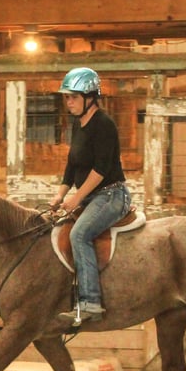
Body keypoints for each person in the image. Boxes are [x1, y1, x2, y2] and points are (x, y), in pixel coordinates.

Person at [49, 67, 132, 325]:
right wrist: (60, 194)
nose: (68, 102)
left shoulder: (104, 125)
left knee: (79, 234)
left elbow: (101, 169)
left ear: (90, 97)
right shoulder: (78, 124)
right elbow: (73, 164)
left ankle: (91, 302)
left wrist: (75, 198)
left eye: (73, 97)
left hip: (111, 195)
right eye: (67, 97)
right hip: (91, 197)